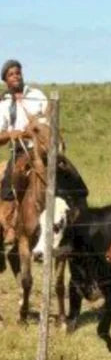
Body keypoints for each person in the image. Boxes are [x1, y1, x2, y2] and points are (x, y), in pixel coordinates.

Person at [0, 60, 49, 243]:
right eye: (11, 74)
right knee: (10, 180)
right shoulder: (4, 104)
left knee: (67, 172)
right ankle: (11, 225)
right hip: (21, 149)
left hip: (44, 145)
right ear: (6, 80)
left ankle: (77, 210)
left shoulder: (37, 95)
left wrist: (39, 125)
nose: (15, 76)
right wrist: (11, 134)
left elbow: (49, 116)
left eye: (17, 72)